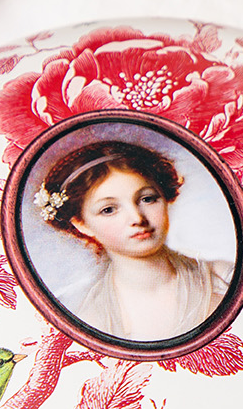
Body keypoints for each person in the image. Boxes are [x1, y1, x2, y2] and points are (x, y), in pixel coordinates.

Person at [34, 139, 232, 342]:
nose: (137, 218)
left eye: (147, 199)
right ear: (81, 224)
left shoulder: (224, 278)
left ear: (164, 197)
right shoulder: (89, 317)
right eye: (109, 210)